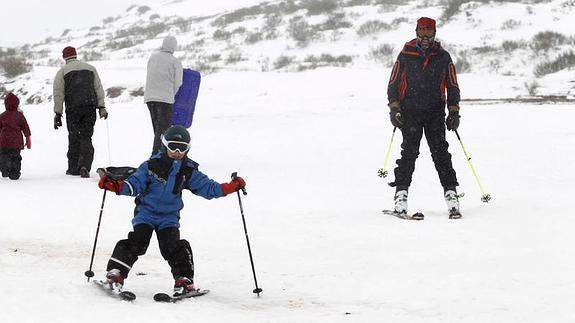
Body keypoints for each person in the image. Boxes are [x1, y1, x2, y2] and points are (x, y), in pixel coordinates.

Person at [97, 125, 246, 296]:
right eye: (172, 146)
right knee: (137, 242)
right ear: (164, 145)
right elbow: (134, 184)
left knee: (173, 246)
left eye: (182, 148)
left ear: (187, 149)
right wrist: (116, 186)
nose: (176, 151)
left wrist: (230, 187)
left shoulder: (188, 171)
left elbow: (208, 188)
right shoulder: (151, 166)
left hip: (168, 217)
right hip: (145, 213)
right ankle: (115, 275)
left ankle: (184, 281)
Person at [386, 17, 462, 219]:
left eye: (429, 32)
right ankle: (401, 195)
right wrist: (395, 109)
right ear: (416, 31)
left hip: (435, 113)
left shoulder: (443, 57)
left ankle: (451, 195)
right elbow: (392, 86)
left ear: (435, 33)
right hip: (409, 113)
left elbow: (452, 86)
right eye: (422, 31)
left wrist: (453, 111)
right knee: (409, 153)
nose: (425, 36)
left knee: (441, 154)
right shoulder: (405, 55)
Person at [53, 46, 107, 178]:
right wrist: (101, 107)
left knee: (74, 136)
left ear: (64, 57)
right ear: (76, 55)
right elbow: (98, 88)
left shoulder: (62, 72)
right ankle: (84, 166)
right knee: (86, 137)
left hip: (73, 109)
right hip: (89, 107)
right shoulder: (90, 68)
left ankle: (73, 168)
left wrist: (58, 113)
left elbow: (58, 94)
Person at [144, 35, 183, 155]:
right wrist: (171, 94)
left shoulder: (153, 58)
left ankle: (160, 153)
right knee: (163, 130)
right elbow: (178, 82)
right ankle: (156, 155)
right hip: (165, 99)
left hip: (150, 99)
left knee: (157, 129)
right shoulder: (175, 61)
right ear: (173, 47)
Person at [0, 93, 31, 180]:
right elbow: (26, 128)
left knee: (3, 156)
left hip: (4, 142)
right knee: (16, 158)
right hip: (16, 143)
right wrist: (28, 140)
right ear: (17, 104)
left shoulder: (2, 116)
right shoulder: (20, 115)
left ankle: (4, 169)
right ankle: (15, 173)